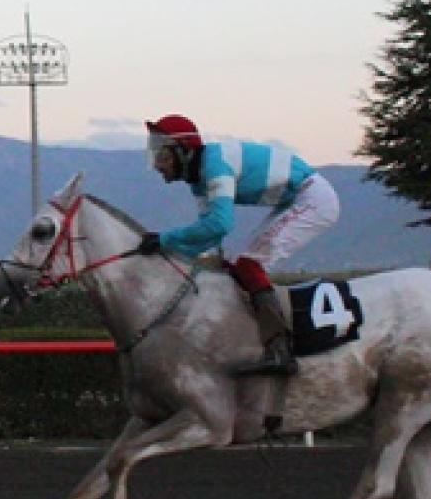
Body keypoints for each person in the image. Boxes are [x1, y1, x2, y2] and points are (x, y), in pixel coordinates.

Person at [140, 114, 340, 376]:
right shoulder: (199, 179)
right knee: (237, 266)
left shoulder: (214, 167)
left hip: (312, 199)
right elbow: (210, 236)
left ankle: (280, 349)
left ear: (184, 152)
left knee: (249, 264)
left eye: (163, 156)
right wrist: (169, 254)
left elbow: (220, 225)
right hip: (296, 199)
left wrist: (165, 240)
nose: (157, 165)